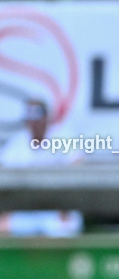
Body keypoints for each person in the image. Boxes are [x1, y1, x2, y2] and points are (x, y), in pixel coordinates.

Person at [0, 99, 83, 237]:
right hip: (24, 211)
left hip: (57, 211)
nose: (34, 124)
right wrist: (6, 211)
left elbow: (78, 166)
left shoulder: (62, 137)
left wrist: (66, 205)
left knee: (67, 226)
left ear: (46, 118)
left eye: (37, 119)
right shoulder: (17, 143)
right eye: (30, 120)